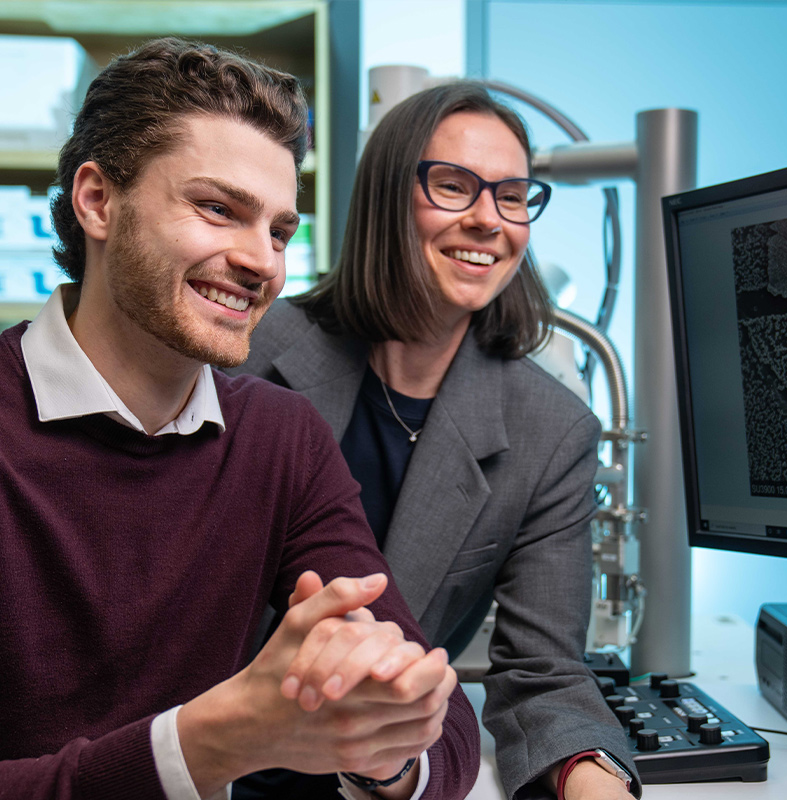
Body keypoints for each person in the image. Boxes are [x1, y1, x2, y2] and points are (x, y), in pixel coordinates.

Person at [0, 38, 481, 800]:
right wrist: (197, 746)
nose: (262, 262)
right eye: (218, 209)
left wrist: (383, 732)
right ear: (97, 200)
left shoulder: (279, 439)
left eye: (280, 231)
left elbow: (444, 728)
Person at [230, 82, 643, 800]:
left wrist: (597, 784)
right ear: (389, 199)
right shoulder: (250, 351)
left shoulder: (550, 431)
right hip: (203, 756)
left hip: (376, 778)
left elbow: (543, 673)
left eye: (513, 196)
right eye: (454, 186)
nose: (490, 220)